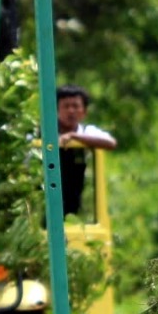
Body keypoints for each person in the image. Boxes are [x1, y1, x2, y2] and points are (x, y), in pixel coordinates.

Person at [55, 84, 114, 217]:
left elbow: (110, 143)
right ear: (57, 110)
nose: (71, 111)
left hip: (73, 198)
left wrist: (75, 137)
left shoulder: (87, 132)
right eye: (66, 106)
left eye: (75, 106)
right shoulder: (43, 133)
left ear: (84, 111)